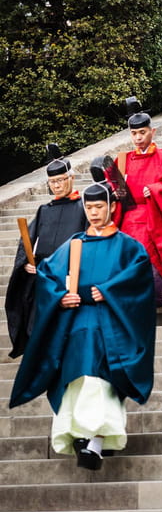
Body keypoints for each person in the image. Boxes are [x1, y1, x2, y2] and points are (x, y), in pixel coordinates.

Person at [9, 179, 156, 471]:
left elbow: (140, 279)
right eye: (89, 208)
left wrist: (111, 290)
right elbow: (48, 275)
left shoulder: (128, 247)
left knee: (99, 382)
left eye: (99, 206)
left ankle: (96, 442)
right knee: (76, 382)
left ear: (112, 208)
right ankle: (83, 437)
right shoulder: (74, 244)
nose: (94, 213)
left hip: (110, 327)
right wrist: (61, 297)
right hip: (75, 327)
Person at [5, 145, 87, 359]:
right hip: (43, 271)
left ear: (70, 179)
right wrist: (25, 263)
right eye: (53, 182)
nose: (57, 186)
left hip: (70, 272)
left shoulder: (83, 208)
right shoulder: (44, 210)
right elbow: (27, 240)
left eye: (61, 180)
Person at [114, 99, 162, 310]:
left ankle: (160, 298)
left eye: (142, 133)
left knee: (156, 254)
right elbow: (112, 188)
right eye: (134, 134)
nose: (138, 138)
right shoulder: (123, 160)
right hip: (129, 218)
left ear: (152, 132)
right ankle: (133, 301)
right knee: (130, 258)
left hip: (156, 215)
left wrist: (157, 189)